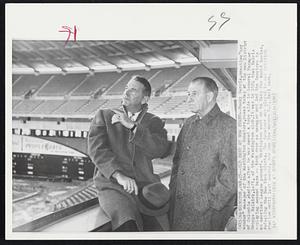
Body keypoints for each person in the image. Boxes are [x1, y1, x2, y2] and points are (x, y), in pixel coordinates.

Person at [88, 75, 170, 231]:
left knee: (162, 229)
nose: (126, 93)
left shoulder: (154, 122)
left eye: (133, 90)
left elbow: (159, 149)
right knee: (128, 224)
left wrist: (133, 127)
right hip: (113, 186)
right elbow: (97, 150)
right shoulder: (104, 115)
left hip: (146, 188)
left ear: (144, 99)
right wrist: (119, 175)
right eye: (126, 88)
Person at [169, 77, 237, 231]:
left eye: (194, 94)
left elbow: (232, 175)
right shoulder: (188, 123)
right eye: (188, 94)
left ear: (209, 96)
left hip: (207, 216)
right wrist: (174, 188)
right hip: (179, 209)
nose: (188, 99)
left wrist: (208, 201)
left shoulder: (229, 126)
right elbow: (177, 162)